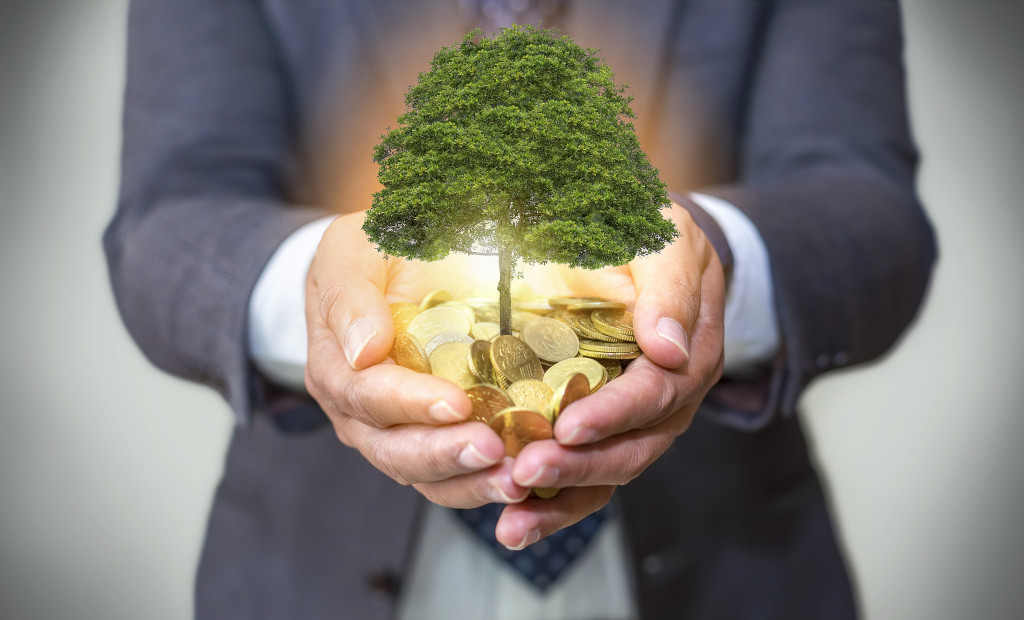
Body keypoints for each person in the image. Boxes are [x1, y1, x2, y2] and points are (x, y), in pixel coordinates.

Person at [104, 1, 936, 618]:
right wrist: (318, 298)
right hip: (312, 568)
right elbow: (169, 219)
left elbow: (868, 208)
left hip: (728, 565)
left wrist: (709, 268)